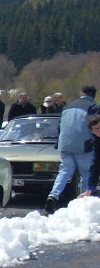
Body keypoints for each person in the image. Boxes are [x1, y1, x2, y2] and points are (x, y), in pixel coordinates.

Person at [44, 85, 97, 213]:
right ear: (93, 95)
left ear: (82, 93)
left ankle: (53, 196)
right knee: (86, 173)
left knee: (64, 171)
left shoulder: (67, 106)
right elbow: (95, 126)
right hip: (83, 144)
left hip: (64, 143)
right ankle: (84, 202)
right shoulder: (93, 107)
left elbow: (60, 126)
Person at [76, 113, 100, 199]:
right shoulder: (97, 141)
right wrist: (90, 188)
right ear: (91, 131)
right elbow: (95, 165)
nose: (99, 130)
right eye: (96, 128)